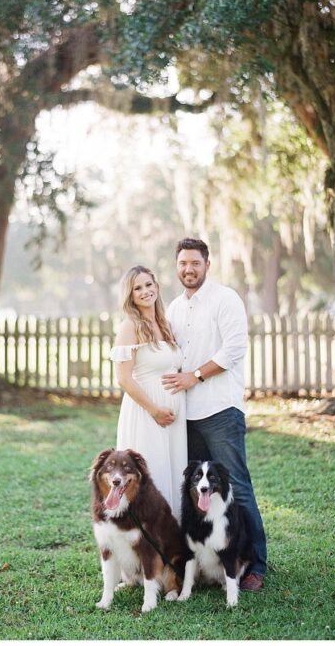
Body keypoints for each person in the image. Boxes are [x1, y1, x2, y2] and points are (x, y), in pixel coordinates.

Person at [162, 237, 267, 593]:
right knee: (196, 494)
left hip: (221, 410)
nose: (188, 269)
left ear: (208, 264)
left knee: (237, 487)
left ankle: (255, 565)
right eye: (182, 264)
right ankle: (206, 563)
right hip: (186, 417)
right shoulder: (174, 308)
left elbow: (235, 348)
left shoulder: (226, 299)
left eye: (195, 262)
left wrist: (196, 375)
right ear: (176, 267)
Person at [109, 265, 188, 520]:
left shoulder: (165, 323)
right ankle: (145, 545)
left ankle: (171, 543)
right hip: (146, 414)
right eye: (137, 288)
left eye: (148, 285)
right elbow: (123, 378)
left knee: (173, 472)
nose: (145, 291)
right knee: (152, 470)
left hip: (173, 418)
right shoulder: (130, 326)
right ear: (130, 295)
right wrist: (154, 410)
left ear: (157, 286)